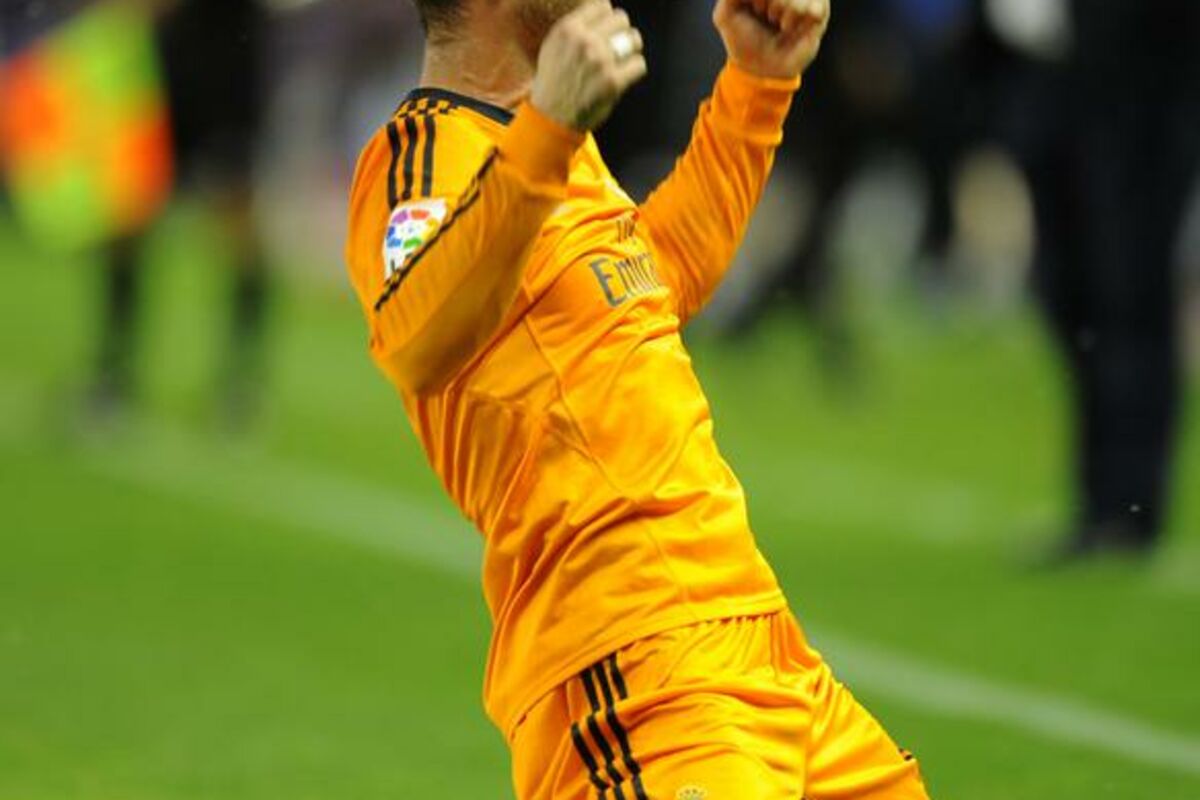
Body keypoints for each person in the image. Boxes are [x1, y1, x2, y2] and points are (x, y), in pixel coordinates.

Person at [345, 0, 931, 796]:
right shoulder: (424, 153)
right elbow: (417, 338)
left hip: (757, 643)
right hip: (632, 669)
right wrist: (547, 130)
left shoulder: (554, 147)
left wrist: (757, 84)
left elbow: (651, 281)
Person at [1003, 0, 1200, 559]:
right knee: (1068, 294)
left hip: (1141, 84)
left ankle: (1129, 505)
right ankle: (1099, 499)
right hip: (1056, 78)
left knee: (1128, 290)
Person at [90, 0, 271, 427]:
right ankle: (113, 375)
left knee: (237, 228)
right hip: (160, 68)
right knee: (127, 222)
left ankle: (240, 382)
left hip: (226, 71)